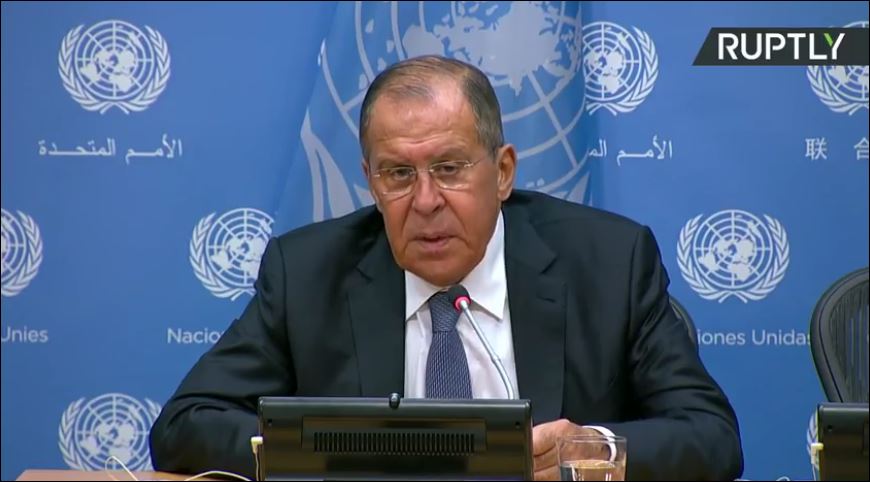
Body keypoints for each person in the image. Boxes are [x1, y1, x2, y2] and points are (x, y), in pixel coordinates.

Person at [150, 55, 743, 480]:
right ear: (371, 181)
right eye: (398, 174)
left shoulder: (609, 262)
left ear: (503, 172)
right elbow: (184, 426)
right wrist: (330, 453)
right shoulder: (307, 273)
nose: (426, 201)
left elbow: (713, 438)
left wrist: (593, 449)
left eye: (451, 168)